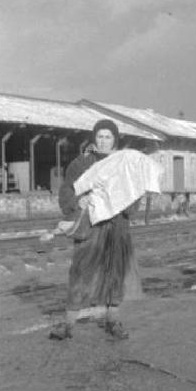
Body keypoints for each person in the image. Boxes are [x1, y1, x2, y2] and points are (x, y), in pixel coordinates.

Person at [49, 119, 142, 340]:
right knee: (80, 273)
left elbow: (135, 200)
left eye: (108, 136)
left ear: (115, 140)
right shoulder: (81, 164)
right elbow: (67, 192)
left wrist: (123, 200)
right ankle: (68, 324)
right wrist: (76, 202)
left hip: (116, 227)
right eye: (99, 136)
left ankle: (113, 321)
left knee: (115, 274)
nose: (103, 141)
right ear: (94, 139)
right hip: (90, 228)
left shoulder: (124, 165)